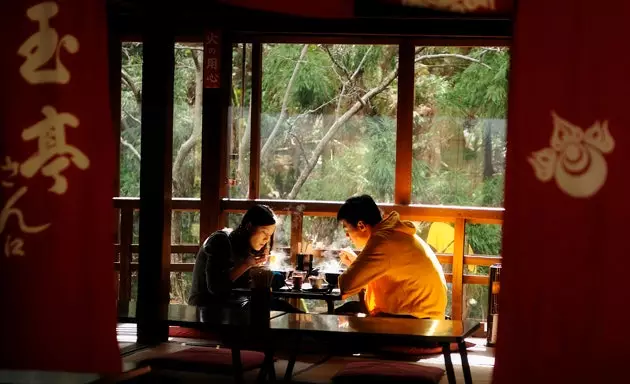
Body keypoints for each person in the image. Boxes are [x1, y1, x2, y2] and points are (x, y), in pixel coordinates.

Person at [336, 195, 447, 319]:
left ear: (361, 225)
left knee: (341, 321)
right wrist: (356, 263)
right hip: (425, 315)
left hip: (416, 321)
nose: (347, 236)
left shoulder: (383, 241)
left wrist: (354, 268)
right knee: (349, 310)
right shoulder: (392, 233)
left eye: (347, 229)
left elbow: (346, 286)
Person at [189, 204, 301, 313]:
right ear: (249, 226)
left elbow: (243, 286)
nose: (266, 238)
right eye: (263, 232)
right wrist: (246, 264)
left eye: (270, 235)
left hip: (232, 305)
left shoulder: (244, 248)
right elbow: (216, 288)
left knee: (284, 308)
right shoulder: (220, 240)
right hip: (206, 308)